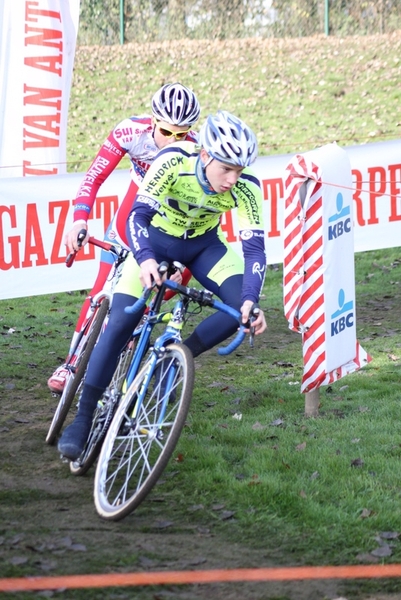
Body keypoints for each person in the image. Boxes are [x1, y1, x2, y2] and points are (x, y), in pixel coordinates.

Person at [58, 110, 267, 461]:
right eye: (226, 169)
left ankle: (175, 360)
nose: (233, 179)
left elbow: (254, 250)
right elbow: (137, 216)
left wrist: (250, 300)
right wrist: (145, 259)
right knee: (122, 321)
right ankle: (83, 417)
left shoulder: (246, 189)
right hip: (153, 241)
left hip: (204, 247)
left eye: (239, 170)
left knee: (238, 309)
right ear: (204, 155)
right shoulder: (173, 160)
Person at [47, 83, 200, 394]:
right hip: (132, 212)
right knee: (103, 287)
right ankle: (71, 362)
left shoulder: (198, 151)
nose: (173, 141)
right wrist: (79, 219)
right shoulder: (131, 132)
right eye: (167, 132)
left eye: (181, 135)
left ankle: (134, 331)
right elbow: (93, 178)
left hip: (169, 219)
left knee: (165, 284)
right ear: (153, 121)